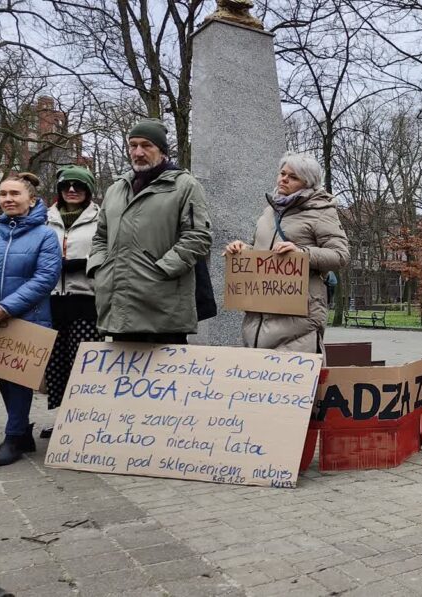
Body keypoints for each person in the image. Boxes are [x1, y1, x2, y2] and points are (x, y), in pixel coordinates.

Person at [87, 119, 212, 344]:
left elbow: (198, 237)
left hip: (161, 306)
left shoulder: (185, 186)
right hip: (118, 304)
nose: (138, 152)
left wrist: (160, 270)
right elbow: (101, 236)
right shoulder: (116, 189)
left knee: (165, 379)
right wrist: (99, 268)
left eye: (146, 145)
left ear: (162, 151)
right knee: (121, 377)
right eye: (133, 145)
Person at [225, 152, 349, 355]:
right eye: (282, 173)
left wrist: (302, 254)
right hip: (258, 318)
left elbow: (340, 255)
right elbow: (262, 253)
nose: (284, 179)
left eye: (293, 177)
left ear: (307, 182)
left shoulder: (321, 211)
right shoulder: (269, 212)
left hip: (298, 324)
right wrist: (242, 250)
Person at [0, 173, 61, 467]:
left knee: (19, 379)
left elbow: (45, 279)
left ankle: (14, 436)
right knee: (3, 377)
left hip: (28, 318)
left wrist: (6, 307)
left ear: (31, 199)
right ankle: (20, 433)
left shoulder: (45, 235)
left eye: (15, 193)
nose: (8, 199)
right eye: (3, 194)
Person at [41, 166, 105, 439]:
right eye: (66, 186)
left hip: (86, 300)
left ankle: (86, 421)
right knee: (58, 365)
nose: (71, 190)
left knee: (84, 365)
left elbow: (110, 252)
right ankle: (64, 420)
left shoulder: (100, 219)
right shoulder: (46, 219)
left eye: (78, 186)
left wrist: (86, 264)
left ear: (88, 189)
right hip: (53, 302)